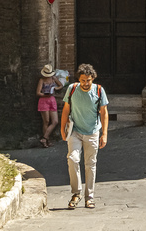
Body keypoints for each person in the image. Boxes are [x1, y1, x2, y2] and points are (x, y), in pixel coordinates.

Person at [60, 64, 109, 210]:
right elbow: (66, 110)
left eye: (88, 80)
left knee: (90, 164)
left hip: (92, 132)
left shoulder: (99, 90)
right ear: (78, 80)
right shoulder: (72, 89)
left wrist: (104, 134)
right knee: (72, 159)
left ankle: (90, 197)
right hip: (75, 131)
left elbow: (104, 113)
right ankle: (76, 193)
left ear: (92, 79)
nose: (86, 83)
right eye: (83, 80)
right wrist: (62, 129)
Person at [36, 64, 63, 148]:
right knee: (46, 121)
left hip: (52, 100)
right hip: (44, 100)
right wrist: (45, 94)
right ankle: (46, 140)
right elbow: (38, 92)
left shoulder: (53, 78)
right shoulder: (42, 80)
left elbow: (61, 85)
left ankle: (44, 138)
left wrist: (55, 89)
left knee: (55, 121)